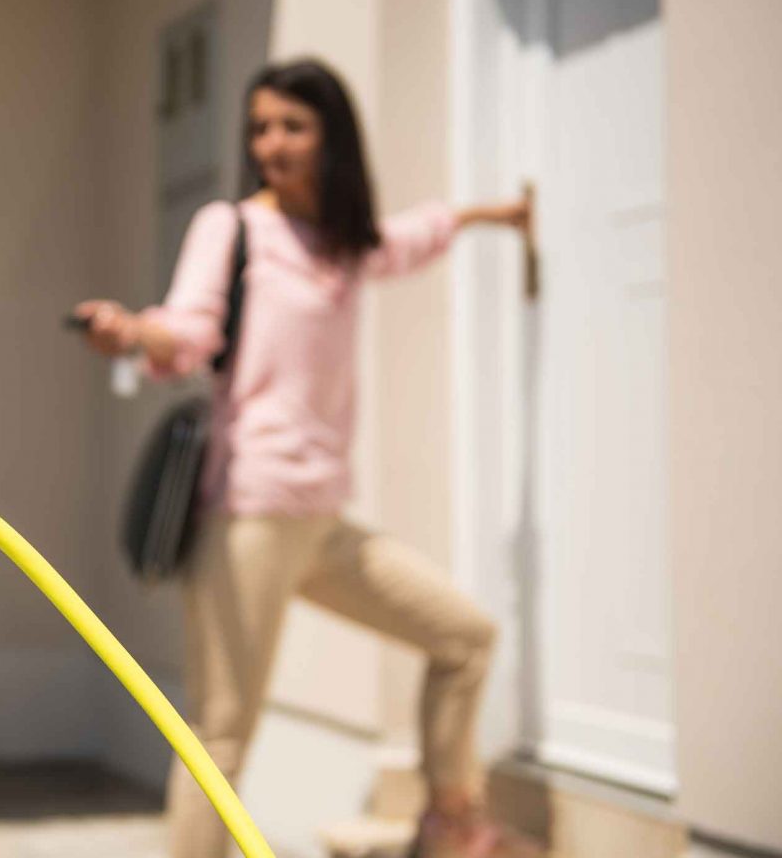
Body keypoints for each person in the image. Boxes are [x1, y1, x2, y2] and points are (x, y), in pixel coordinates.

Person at [74, 59, 532, 858]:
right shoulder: (233, 228)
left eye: (292, 126)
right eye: (259, 128)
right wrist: (134, 333)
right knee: (221, 736)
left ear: (332, 138)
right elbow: (190, 329)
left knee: (464, 638)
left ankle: (450, 825)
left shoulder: (345, 245)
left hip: (321, 521)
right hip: (249, 516)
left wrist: (500, 215)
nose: (271, 144)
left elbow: (415, 235)